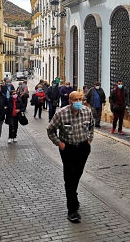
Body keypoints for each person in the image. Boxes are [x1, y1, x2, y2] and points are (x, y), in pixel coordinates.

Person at [47, 90, 94, 223]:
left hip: (83, 148)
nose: (79, 102)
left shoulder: (87, 112)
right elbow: (50, 129)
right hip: (68, 148)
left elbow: (91, 126)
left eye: (81, 99)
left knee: (77, 174)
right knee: (69, 176)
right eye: (76, 100)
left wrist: (90, 139)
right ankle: (72, 209)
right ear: (70, 101)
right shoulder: (61, 114)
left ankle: (73, 194)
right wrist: (59, 143)